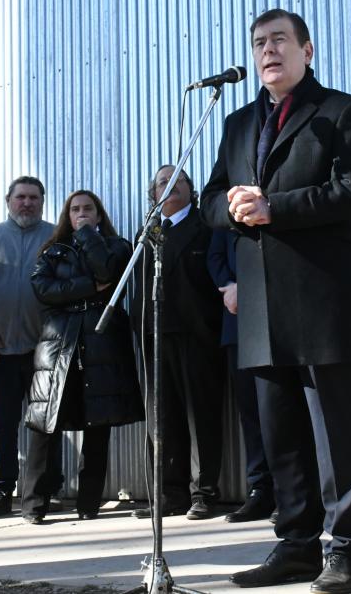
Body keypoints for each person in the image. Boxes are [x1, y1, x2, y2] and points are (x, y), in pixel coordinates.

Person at [200, 8, 351, 594]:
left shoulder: (342, 111)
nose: (268, 51)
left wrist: (275, 207)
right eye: (259, 43)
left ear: (308, 50)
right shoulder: (237, 123)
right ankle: (296, 545)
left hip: (322, 299)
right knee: (281, 435)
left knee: (336, 435)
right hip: (262, 306)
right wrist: (233, 209)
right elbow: (208, 200)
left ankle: (345, 549)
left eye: (280, 40)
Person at [23, 190, 143, 524]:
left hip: (102, 342)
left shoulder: (117, 246)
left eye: (88, 209)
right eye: (75, 209)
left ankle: (89, 503)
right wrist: (90, 287)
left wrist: (89, 236)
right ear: (67, 215)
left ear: (99, 214)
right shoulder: (52, 250)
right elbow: (43, 289)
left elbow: (108, 273)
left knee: (97, 423)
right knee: (46, 422)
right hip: (58, 343)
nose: (81, 213)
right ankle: (34, 504)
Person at [131, 166, 225, 520]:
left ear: (190, 190)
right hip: (155, 335)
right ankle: (169, 494)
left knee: (201, 415)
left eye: (179, 180)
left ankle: (204, 492)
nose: (171, 186)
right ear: (154, 194)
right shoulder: (149, 232)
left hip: (196, 335)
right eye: (162, 182)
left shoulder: (205, 225)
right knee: (162, 417)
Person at [0, 176, 57, 518]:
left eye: (34, 198)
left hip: (43, 352)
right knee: (0, 423)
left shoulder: (56, 237)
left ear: (42, 202)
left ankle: (45, 490)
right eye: (21, 197)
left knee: (45, 423)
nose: (27, 203)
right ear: (8, 201)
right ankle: (0, 491)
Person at [208, 227, 276, 524]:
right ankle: (260, 489)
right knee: (250, 412)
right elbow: (215, 256)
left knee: (282, 412)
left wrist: (248, 286)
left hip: (279, 318)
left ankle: (292, 491)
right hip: (238, 323)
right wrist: (229, 286)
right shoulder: (226, 216)